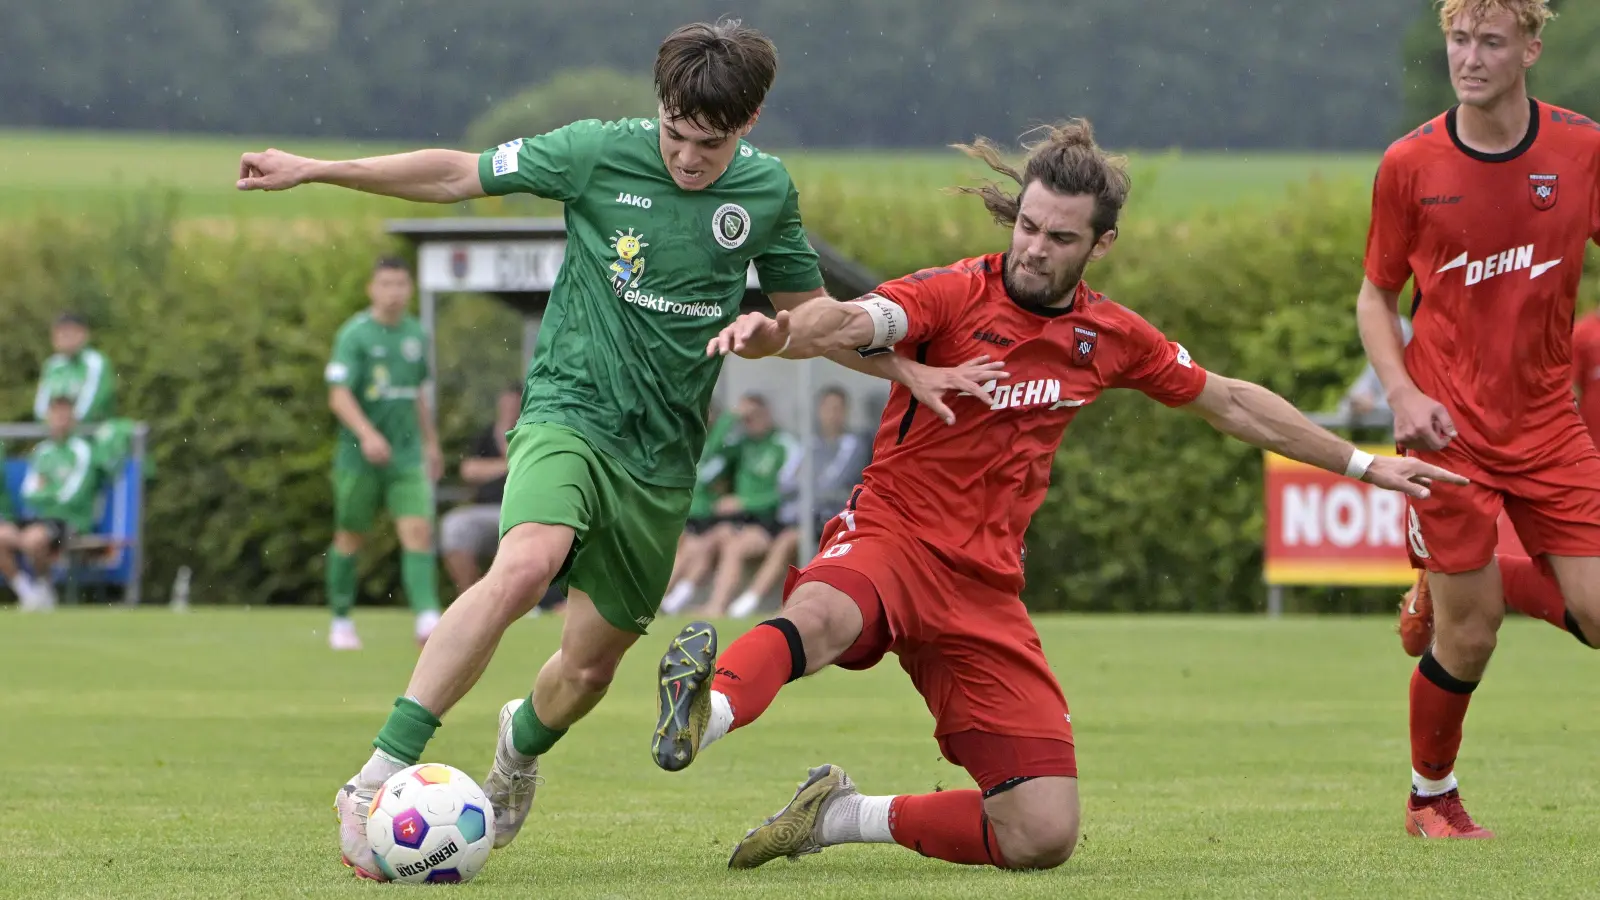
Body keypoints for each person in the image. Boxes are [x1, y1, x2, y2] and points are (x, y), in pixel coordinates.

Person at [237, 19, 997, 881]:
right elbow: (458, 173)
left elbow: (812, 321)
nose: (686, 157)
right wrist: (315, 168)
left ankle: (516, 753)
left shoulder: (766, 194)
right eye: (674, 133)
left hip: (661, 459)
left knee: (589, 670)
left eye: (708, 144)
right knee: (525, 564)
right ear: (659, 109)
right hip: (569, 409)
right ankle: (376, 773)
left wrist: (895, 369)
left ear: (746, 125)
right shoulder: (595, 152)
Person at [646, 118, 1463, 872]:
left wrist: (1363, 466)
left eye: (1060, 237)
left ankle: (838, 814)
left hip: (984, 586)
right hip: (892, 536)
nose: (1034, 248)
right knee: (822, 619)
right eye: (1028, 226)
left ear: (1100, 244)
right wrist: (786, 332)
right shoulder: (952, 294)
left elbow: (1231, 400)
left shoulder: (1109, 337)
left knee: (1041, 835)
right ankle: (702, 713)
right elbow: (852, 322)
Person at [1359, 0, 1600, 838]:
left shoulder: (1581, 149)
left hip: (1548, 425)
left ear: (1530, 48)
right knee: (1473, 631)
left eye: (1490, 41)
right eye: (1458, 39)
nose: (1469, 57)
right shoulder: (1410, 163)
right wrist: (1401, 394)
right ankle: (1432, 797)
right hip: (1444, 428)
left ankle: (1465, 581)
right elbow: (1375, 297)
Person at [321, 257, 445, 652]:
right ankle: (341, 619)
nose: (394, 293)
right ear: (371, 289)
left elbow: (418, 395)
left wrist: (431, 442)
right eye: (386, 284)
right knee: (350, 536)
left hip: (406, 456)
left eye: (401, 285)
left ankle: (427, 617)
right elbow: (338, 395)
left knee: (419, 532)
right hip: (359, 457)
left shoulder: (415, 335)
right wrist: (368, 434)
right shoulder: (354, 335)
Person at [698, 393, 802, 617]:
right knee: (710, 539)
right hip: (742, 520)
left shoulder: (783, 444)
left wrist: (745, 502)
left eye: (753, 416)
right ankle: (678, 601)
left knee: (734, 546)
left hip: (770, 521)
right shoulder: (742, 444)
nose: (749, 422)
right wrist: (730, 418)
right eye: (745, 418)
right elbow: (709, 459)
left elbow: (788, 493)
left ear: (767, 414)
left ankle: (730, 606)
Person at [6, 396, 104, 611]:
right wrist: (51, 489)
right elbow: (28, 493)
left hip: (70, 521)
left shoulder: (82, 450)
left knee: (33, 539)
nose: (59, 420)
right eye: (55, 415)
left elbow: (73, 494)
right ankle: (27, 593)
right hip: (40, 519)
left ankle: (45, 588)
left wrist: (46, 488)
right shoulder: (43, 451)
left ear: (73, 420)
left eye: (64, 415)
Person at [660, 403, 740, 615]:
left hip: (706, 521)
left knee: (697, 550)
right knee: (690, 551)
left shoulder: (720, 448)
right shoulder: (691, 444)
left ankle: (667, 602)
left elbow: (716, 452)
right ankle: (665, 601)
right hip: (690, 518)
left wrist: (730, 417)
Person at [34, 313, 115, 424]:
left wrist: (66, 422)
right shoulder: (52, 365)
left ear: (83, 334)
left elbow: (93, 403)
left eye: (69, 333)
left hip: (90, 434)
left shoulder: (95, 362)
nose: (64, 338)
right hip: (55, 434)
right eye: (60, 333)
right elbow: (40, 406)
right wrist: (49, 422)